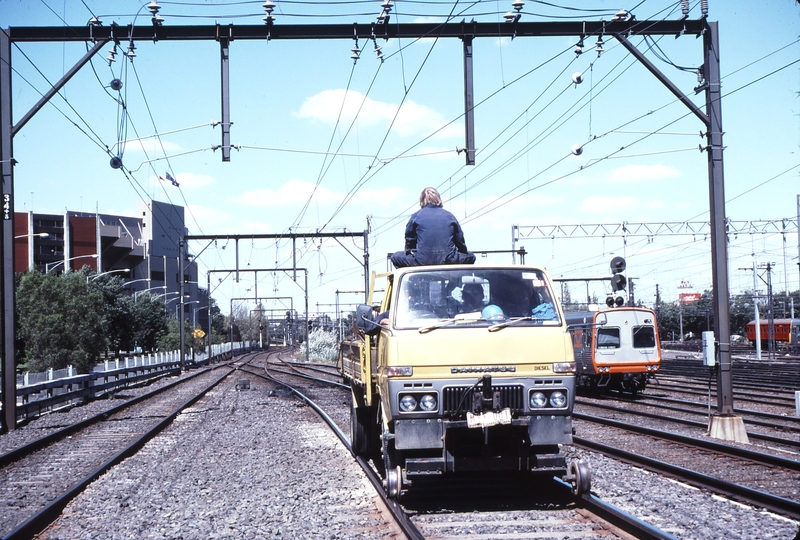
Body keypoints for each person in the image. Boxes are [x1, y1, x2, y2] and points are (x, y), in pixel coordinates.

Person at [391, 187, 476, 268]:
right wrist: (461, 253)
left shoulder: (416, 216)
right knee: (471, 256)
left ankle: (414, 280)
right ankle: (452, 282)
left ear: (421, 201)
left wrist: (413, 253)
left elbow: (410, 242)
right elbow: (460, 242)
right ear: (438, 199)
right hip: (449, 260)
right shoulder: (450, 216)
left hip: (422, 261)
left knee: (395, 257)